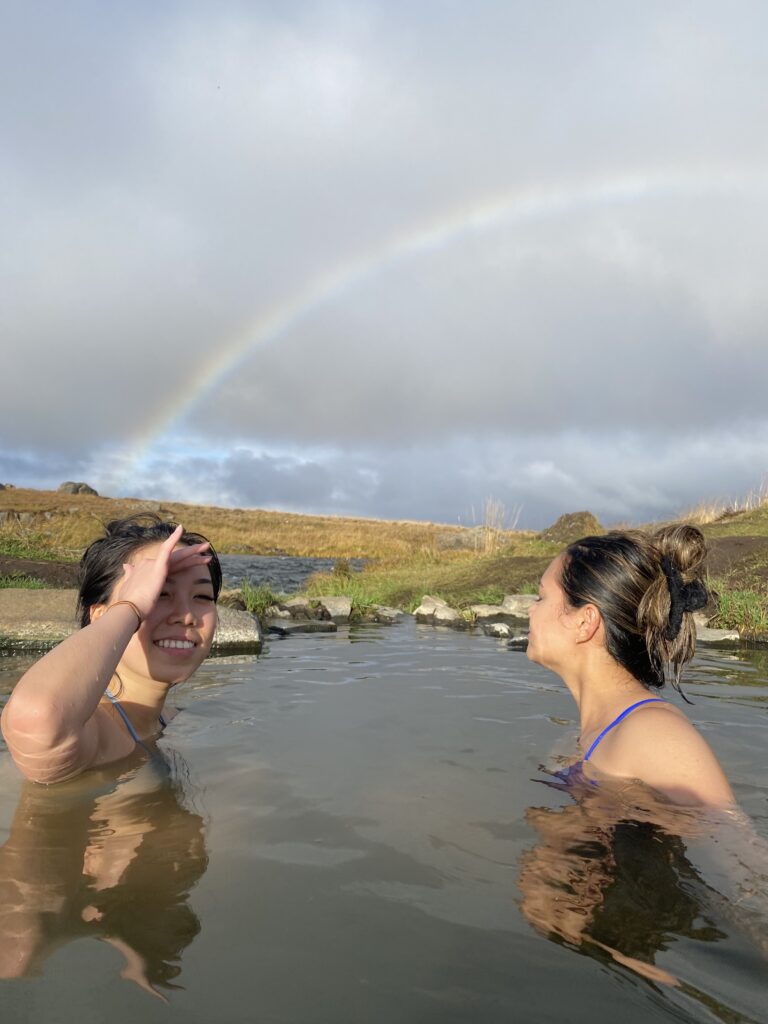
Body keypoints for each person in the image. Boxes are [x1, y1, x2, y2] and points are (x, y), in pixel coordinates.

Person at [0, 515, 221, 785]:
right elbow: (36, 717)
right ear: (102, 615)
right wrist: (134, 605)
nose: (186, 616)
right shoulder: (94, 731)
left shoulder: (171, 718)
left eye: (202, 597)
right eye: (159, 593)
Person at [527, 524, 734, 806]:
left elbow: (737, 845)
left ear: (585, 622)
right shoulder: (589, 733)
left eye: (542, 597)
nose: (530, 609)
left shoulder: (653, 733)